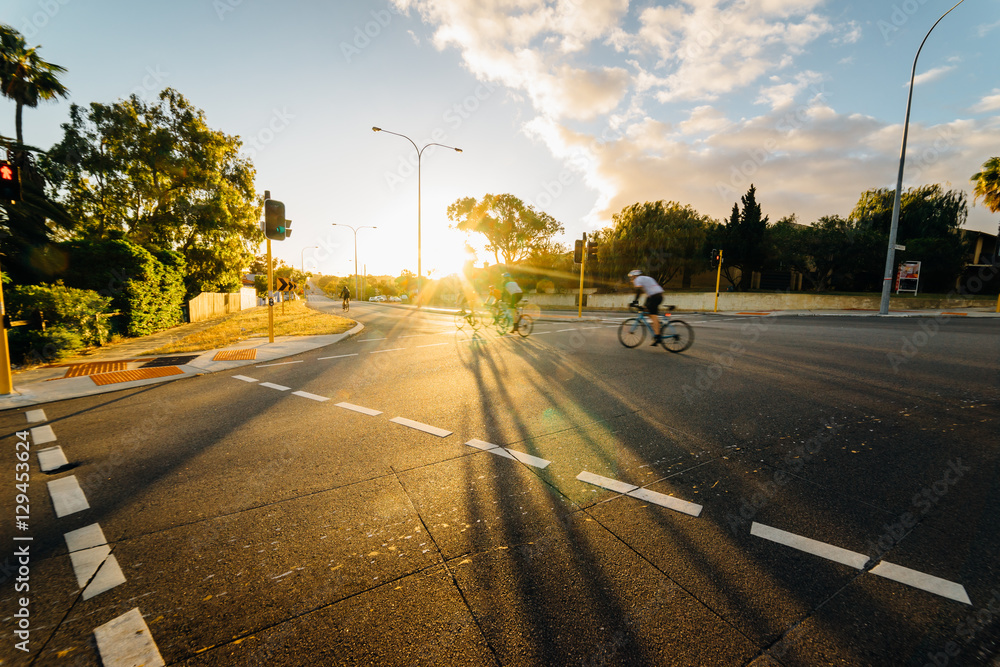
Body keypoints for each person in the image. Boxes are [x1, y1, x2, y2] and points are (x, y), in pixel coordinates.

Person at [629, 269, 664, 345]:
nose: (631, 279)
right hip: (655, 296)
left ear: (634, 276)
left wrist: (634, 302)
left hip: (654, 297)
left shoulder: (637, 279)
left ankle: (658, 336)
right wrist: (643, 306)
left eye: (631, 277)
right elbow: (648, 293)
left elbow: (638, 291)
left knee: (653, 316)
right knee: (645, 310)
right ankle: (657, 324)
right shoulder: (646, 278)